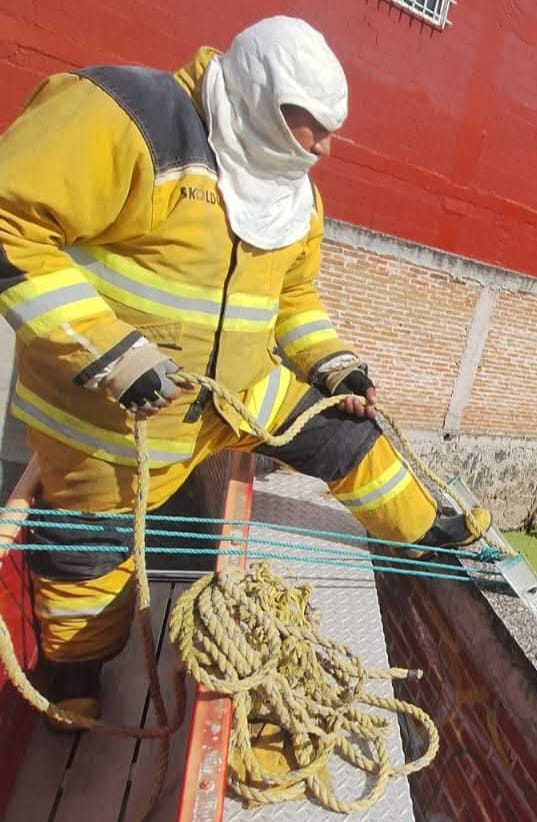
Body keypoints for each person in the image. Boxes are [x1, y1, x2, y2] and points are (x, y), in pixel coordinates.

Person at [0, 16, 487, 726]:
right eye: (309, 126)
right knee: (84, 561)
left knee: (348, 439)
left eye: (331, 130)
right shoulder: (129, 118)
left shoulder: (295, 194)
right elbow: (12, 222)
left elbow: (293, 298)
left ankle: (422, 528)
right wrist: (108, 350)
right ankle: (77, 680)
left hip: (232, 398)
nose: (325, 147)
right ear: (260, 93)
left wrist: (332, 364)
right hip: (109, 421)